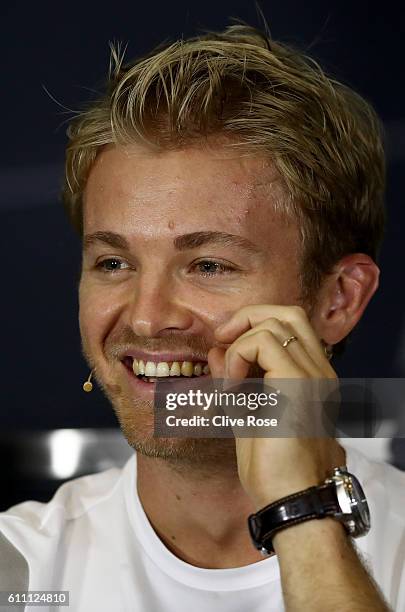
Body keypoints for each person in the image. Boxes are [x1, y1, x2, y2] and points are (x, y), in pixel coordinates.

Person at [1, 22, 404, 612]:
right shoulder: (22, 568)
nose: (145, 317)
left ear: (338, 300)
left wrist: (303, 510)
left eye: (209, 265)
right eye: (113, 261)